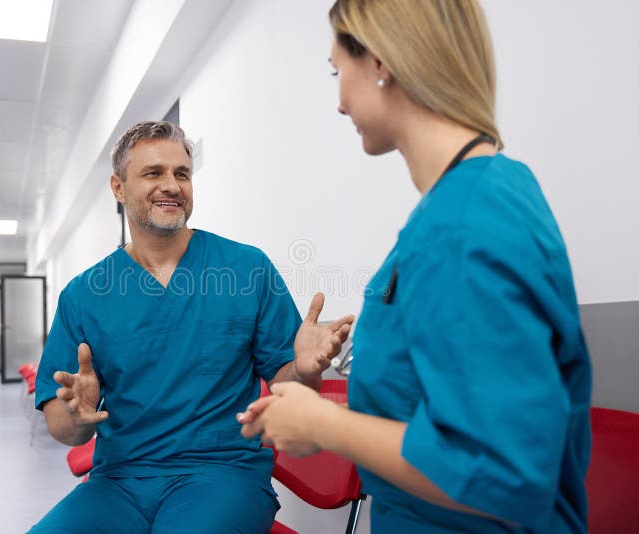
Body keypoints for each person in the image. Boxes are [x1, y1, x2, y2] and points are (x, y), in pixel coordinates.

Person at [239, 1, 592, 532]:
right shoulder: (472, 202)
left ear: (380, 61)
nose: (338, 103)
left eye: (339, 71)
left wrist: (326, 424)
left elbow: (501, 471)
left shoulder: (468, 220)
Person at [29, 120, 353, 534]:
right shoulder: (84, 294)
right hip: (118, 481)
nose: (171, 185)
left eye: (181, 173)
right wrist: (80, 415)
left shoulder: (246, 269)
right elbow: (64, 428)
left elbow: (293, 387)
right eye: (153, 173)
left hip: (221, 475)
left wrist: (307, 369)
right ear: (118, 187)